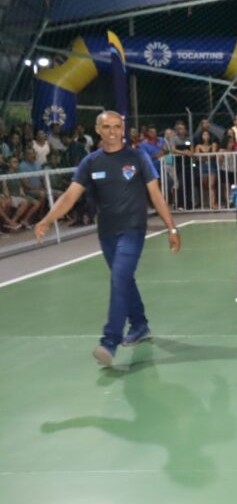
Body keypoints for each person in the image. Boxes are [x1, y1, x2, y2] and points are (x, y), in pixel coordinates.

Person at [34, 111, 181, 367]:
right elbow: (70, 196)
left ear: (123, 129)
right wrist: (47, 220)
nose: (112, 131)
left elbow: (156, 195)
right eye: (107, 127)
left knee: (119, 279)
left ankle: (109, 342)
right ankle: (140, 325)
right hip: (106, 234)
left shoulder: (138, 157)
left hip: (133, 230)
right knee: (124, 280)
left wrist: (172, 229)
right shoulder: (90, 162)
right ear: (98, 130)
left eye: (117, 126)